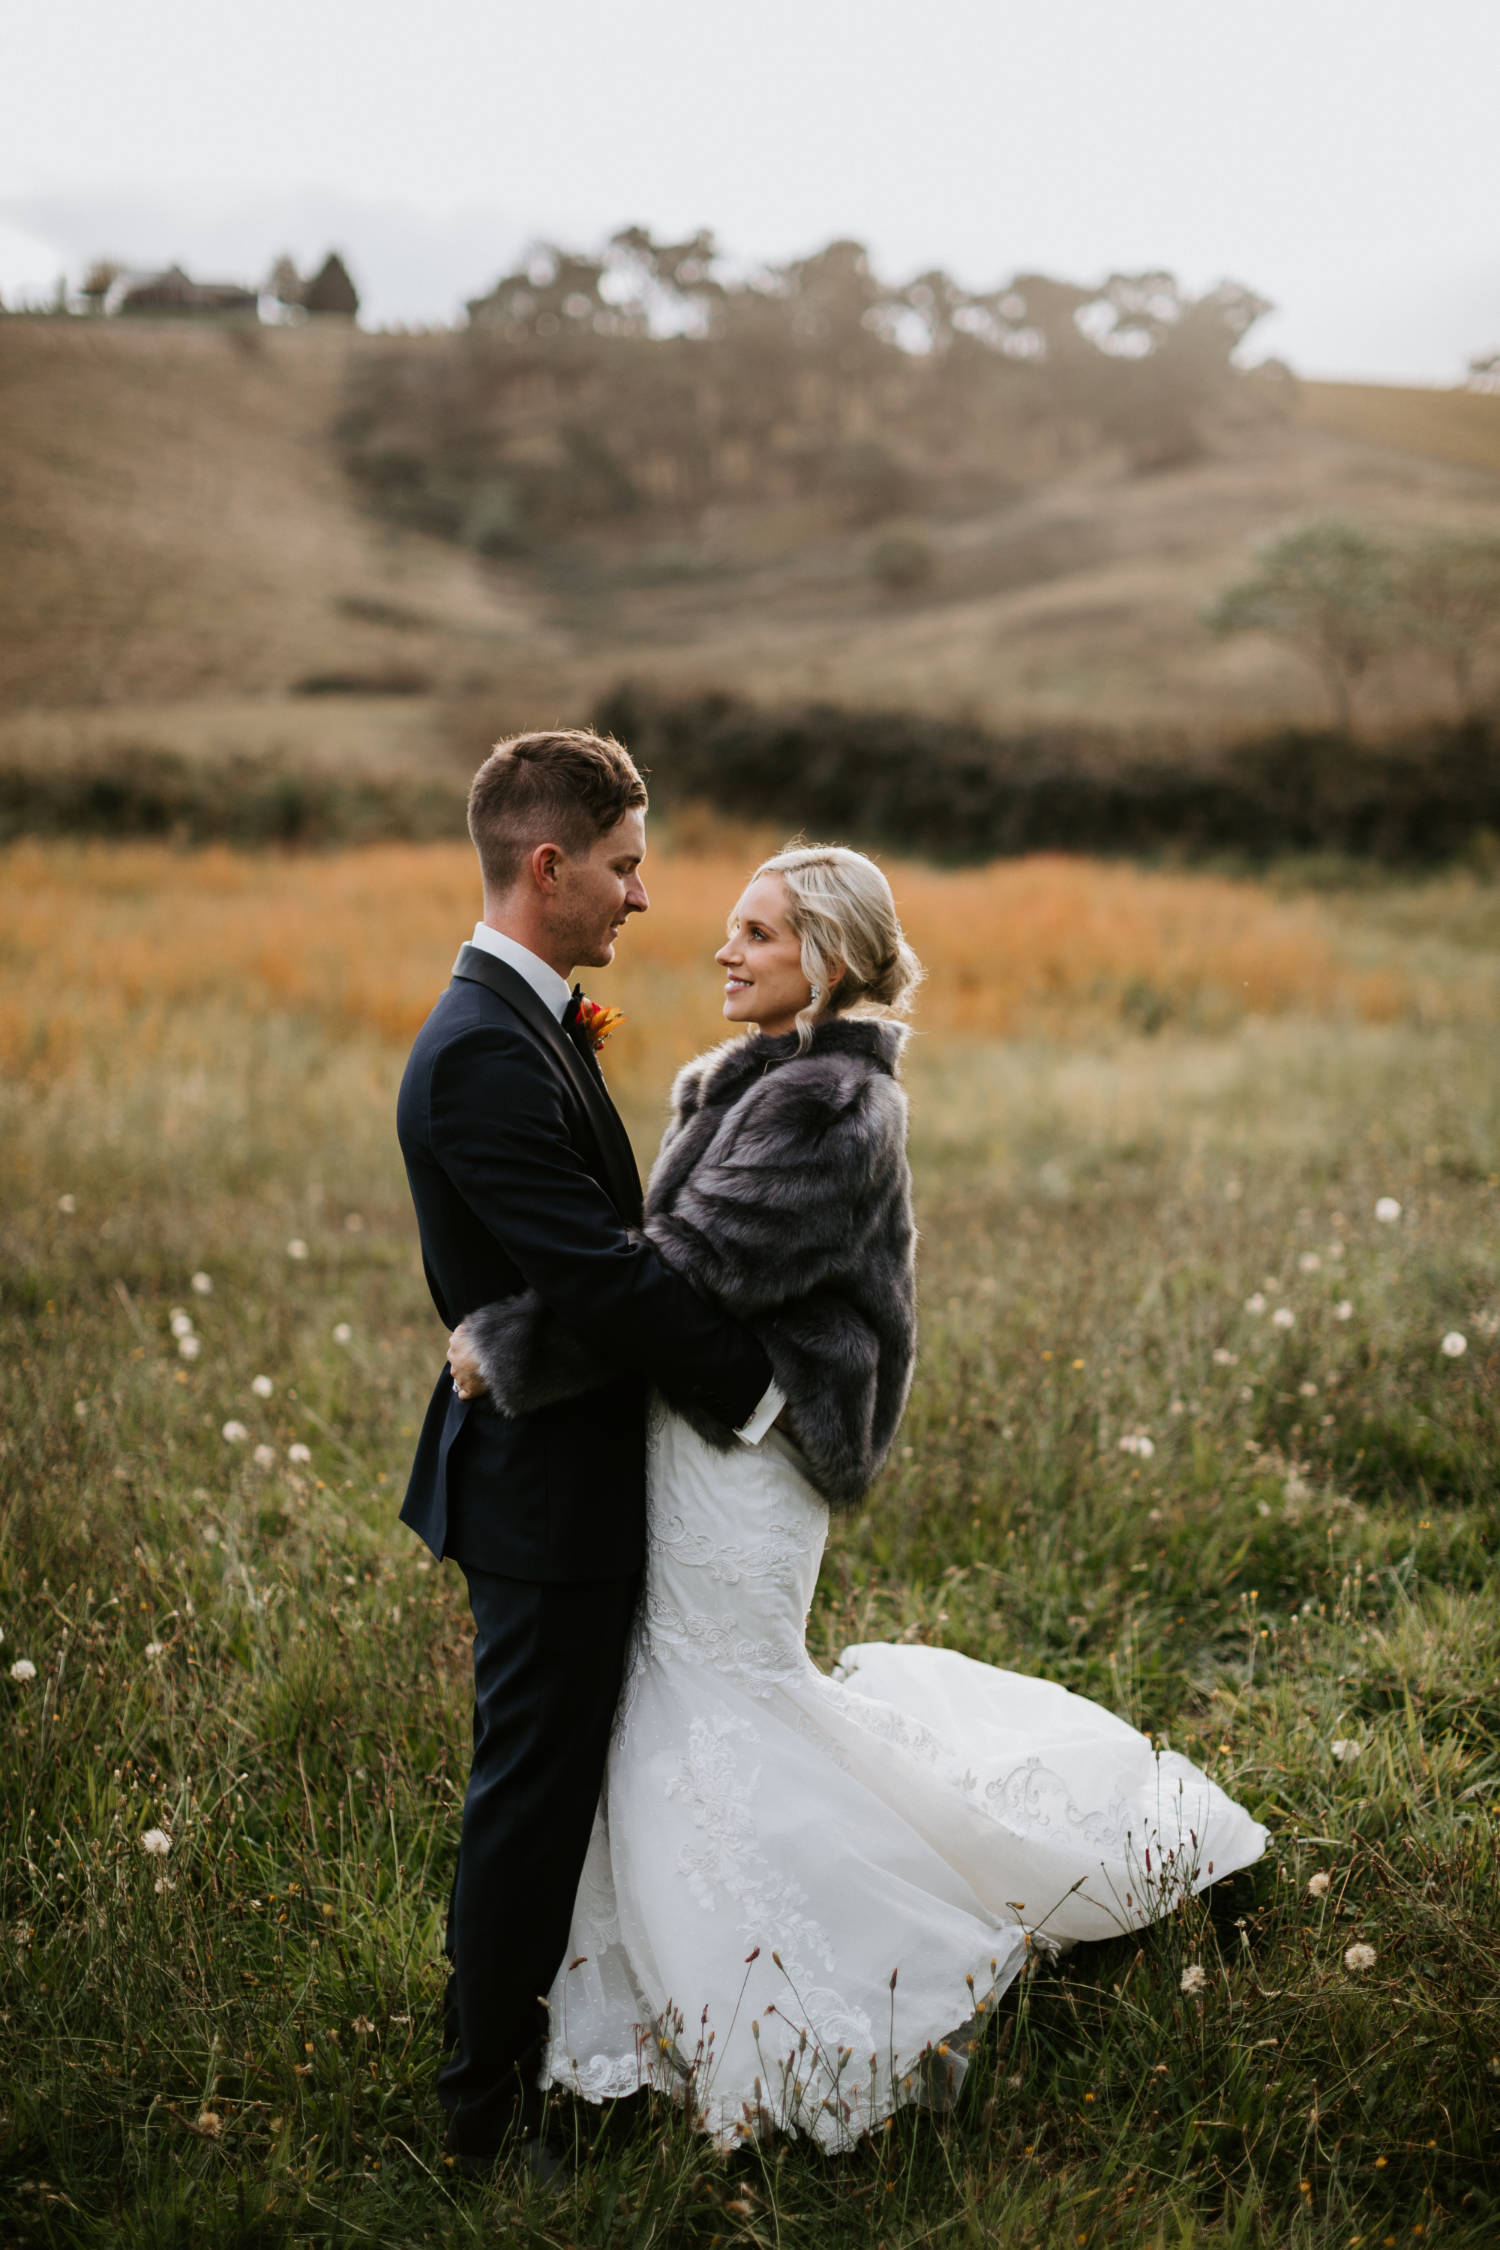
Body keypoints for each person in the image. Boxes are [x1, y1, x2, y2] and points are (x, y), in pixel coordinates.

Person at [447, 843, 1268, 2152]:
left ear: (825, 959)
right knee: (665, 1699)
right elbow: (660, 1272)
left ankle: (851, 1973)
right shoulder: (728, 1079)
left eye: (758, 934)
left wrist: (513, 1345)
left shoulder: (832, 1106)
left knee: (729, 1694)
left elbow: (690, 1269)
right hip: (691, 1430)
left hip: (751, 1456)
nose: (725, 949)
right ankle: (661, 1998)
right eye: (729, 927)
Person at [395, 729, 783, 2172]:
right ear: (547, 865)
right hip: (543, 1485)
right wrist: (759, 1390)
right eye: (624, 869)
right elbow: (601, 1280)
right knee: (532, 1789)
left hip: (564, 1464)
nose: (641, 899)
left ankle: (548, 2052)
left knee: (554, 1778)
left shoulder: (529, 1019)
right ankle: (480, 2114)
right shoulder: (482, 1055)